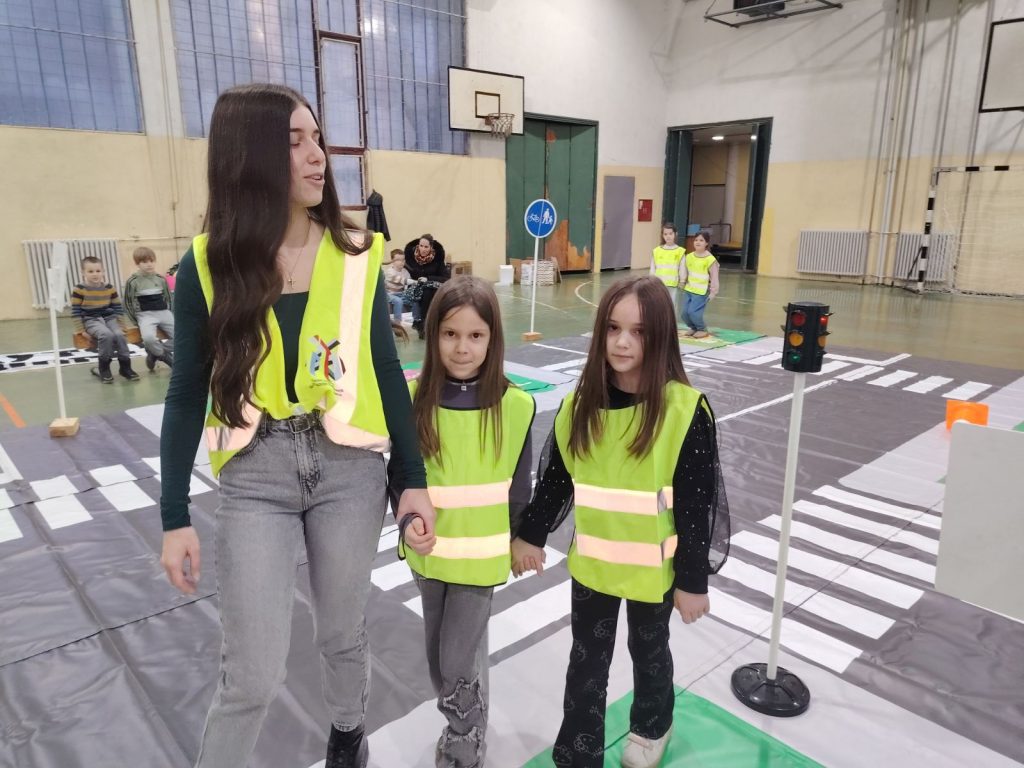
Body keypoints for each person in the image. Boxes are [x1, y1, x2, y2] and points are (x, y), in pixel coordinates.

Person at [157, 83, 436, 768]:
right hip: (255, 477)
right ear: (249, 155)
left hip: (348, 471)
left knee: (342, 632)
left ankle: (348, 736)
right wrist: (173, 516)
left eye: (317, 138)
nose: (318, 156)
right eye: (294, 142)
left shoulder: (357, 251)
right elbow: (187, 392)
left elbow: (383, 369)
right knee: (252, 674)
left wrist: (412, 479)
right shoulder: (206, 265)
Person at [512, 276, 729, 768]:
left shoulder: (683, 411)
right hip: (593, 569)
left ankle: (653, 725)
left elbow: (696, 508)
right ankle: (578, 748)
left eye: (638, 331)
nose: (623, 342)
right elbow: (556, 482)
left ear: (661, 337)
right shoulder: (578, 408)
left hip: (654, 574)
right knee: (586, 662)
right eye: (613, 328)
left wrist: (692, 581)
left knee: (649, 655)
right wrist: (530, 535)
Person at [397, 275, 536, 768]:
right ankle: (465, 719)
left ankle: (466, 732)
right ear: (433, 335)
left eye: (476, 335)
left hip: (480, 561)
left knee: (457, 659)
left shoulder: (516, 405)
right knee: (439, 660)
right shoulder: (412, 399)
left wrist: (521, 538)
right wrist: (407, 521)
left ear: (493, 338)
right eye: (451, 334)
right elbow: (401, 477)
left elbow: (520, 488)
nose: (462, 348)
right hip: (430, 557)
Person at [72, 256, 140, 383]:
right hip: (91, 319)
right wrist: (82, 330)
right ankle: (104, 368)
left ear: (103, 271)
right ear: (83, 273)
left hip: (109, 318)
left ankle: (125, 367)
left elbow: (117, 308)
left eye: (98, 271)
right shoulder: (79, 290)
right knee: (106, 334)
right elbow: (75, 312)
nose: (95, 274)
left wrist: (122, 326)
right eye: (90, 271)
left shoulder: (109, 288)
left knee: (119, 335)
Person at [123, 246, 175, 370]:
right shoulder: (132, 281)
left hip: (164, 312)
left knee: (182, 337)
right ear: (137, 263)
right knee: (148, 339)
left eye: (151, 261)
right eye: (144, 262)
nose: (149, 264)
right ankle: (162, 356)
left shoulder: (160, 279)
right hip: (145, 315)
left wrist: (169, 313)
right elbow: (128, 303)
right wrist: (135, 321)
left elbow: (168, 298)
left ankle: (154, 352)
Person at [404, 234, 450, 339]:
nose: (423, 249)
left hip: (432, 288)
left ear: (431, 247)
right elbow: (405, 275)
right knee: (424, 293)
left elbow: (446, 278)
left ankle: (426, 324)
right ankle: (421, 323)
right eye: (421, 246)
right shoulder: (410, 258)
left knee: (429, 292)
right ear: (418, 245)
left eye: (426, 247)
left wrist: (428, 278)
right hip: (415, 287)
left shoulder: (437, 260)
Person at [677, 231, 719, 339]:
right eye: (696, 240)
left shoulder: (710, 260)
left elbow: (714, 277)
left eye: (701, 240)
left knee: (693, 312)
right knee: (684, 313)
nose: (698, 242)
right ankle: (693, 327)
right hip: (689, 289)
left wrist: (713, 292)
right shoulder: (689, 256)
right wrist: (682, 281)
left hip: (701, 292)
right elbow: (684, 271)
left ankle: (702, 329)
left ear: (706, 243)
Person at [649, 223, 683, 314]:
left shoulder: (680, 251)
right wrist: (651, 280)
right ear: (662, 235)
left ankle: (671, 321)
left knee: (672, 305)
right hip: (659, 284)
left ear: (676, 234)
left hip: (673, 284)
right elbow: (653, 267)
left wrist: (682, 280)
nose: (668, 236)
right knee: (658, 304)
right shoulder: (656, 251)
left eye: (670, 233)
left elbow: (682, 267)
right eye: (665, 234)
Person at [384, 248, 412, 323]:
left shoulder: (405, 272)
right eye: (398, 260)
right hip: (389, 293)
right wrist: (416, 282)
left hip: (401, 293)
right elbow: (403, 281)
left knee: (414, 299)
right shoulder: (389, 272)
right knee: (398, 301)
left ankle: (414, 319)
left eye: (403, 260)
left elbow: (408, 285)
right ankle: (397, 322)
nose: (401, 262)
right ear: (392, 261)